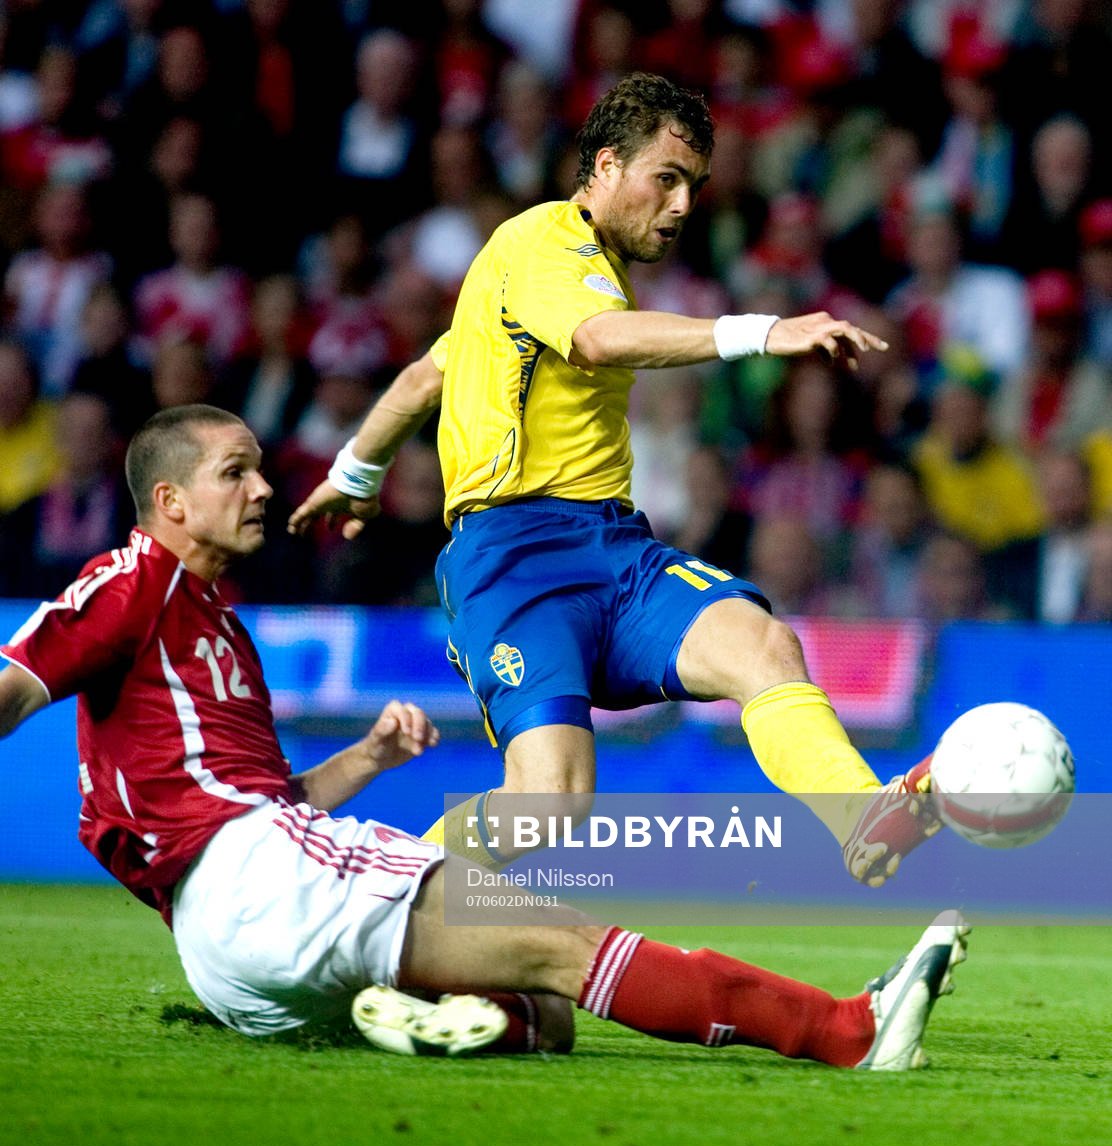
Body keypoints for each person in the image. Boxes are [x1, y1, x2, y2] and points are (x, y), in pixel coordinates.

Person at [0, 403, 969, 1070]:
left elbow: (261, 800)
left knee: (545, 1015)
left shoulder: (210, 624)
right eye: (234, 471)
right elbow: (14, 686)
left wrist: (370, 758)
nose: (260, 487)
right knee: (571, 946)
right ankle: (848, 1027)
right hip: (259, 883)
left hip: (234, 951)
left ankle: (420, 1020)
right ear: (169, 502)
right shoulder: (127, 582)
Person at [289, 72, 941, 888]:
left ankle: (863, 817)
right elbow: (597, 341)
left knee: (764, 646)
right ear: (603, 167)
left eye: (693, 187)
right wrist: (764, 331)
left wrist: (356, 470)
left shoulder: (550, 277)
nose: (681, 205)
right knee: (551, 798)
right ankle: (373, 907)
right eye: (665, 179)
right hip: (513, 558)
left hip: (614, 548)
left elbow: (429, 376)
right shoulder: (544, 243)